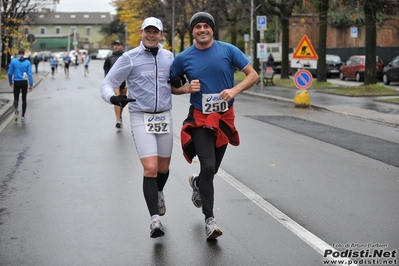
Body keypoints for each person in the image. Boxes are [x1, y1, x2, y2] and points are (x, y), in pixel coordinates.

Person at [170, 11, 258, 240]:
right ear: (192, 31)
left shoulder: (228, 50)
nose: (202, 30)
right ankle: (210, 220)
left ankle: (197, 183)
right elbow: (172, 85)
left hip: (224, 117)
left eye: (205, 26)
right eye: (197, 26)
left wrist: (234, 90)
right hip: (199, 118)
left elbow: (253, 75)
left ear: (212, 29)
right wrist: (186, 89)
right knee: (208, 166)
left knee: (213, 169)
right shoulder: (183, 58)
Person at [100, 17, 174, 239]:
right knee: (150, 168)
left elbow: (178, 81)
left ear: (161, 34)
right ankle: (154, 220)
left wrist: (181, 81)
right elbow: (106, 84)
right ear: (141, 32)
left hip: (164, 117)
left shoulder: (169, 57)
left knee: (163, 168)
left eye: (156, 31)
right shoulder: (129, 57)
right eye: (148, 31)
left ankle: (159, 192)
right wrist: (112, 98)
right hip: (141, 117)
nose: (151, 35)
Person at [103, 40, 126, 129]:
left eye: (118, 45)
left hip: (124, 81)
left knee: (123, 100)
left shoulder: (125, 56)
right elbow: (106, 69)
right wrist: (107, 80)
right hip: (114, 81)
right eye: (115, 45)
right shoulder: (110, 58)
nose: (116, 46)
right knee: (117, 97)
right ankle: (118, 120)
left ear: (122, 46)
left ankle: (120, 116)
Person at [8, 48, 34, 122]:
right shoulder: (27, 62)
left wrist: (10, 81)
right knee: (24, 99)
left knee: (16, 98)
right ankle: (23, 116)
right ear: (24, 53)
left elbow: (10, 73)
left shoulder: (13, 61)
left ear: (18, 53)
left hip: (16, 82)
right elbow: (30, 74)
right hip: (24, 82)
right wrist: (31, 84)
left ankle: (16, 113)